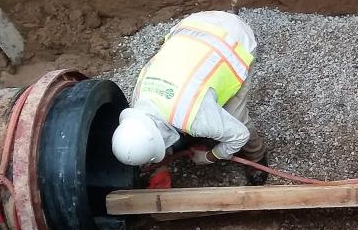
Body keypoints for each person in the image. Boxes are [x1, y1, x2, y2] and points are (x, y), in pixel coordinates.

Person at [111, 10, 267, 176]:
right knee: (208, 118)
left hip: (235, 40)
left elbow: (239, 135)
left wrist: (210, 156)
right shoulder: (139, 99)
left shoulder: (195, 118)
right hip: (194, 25)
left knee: (236, 116)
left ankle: (257, 155)